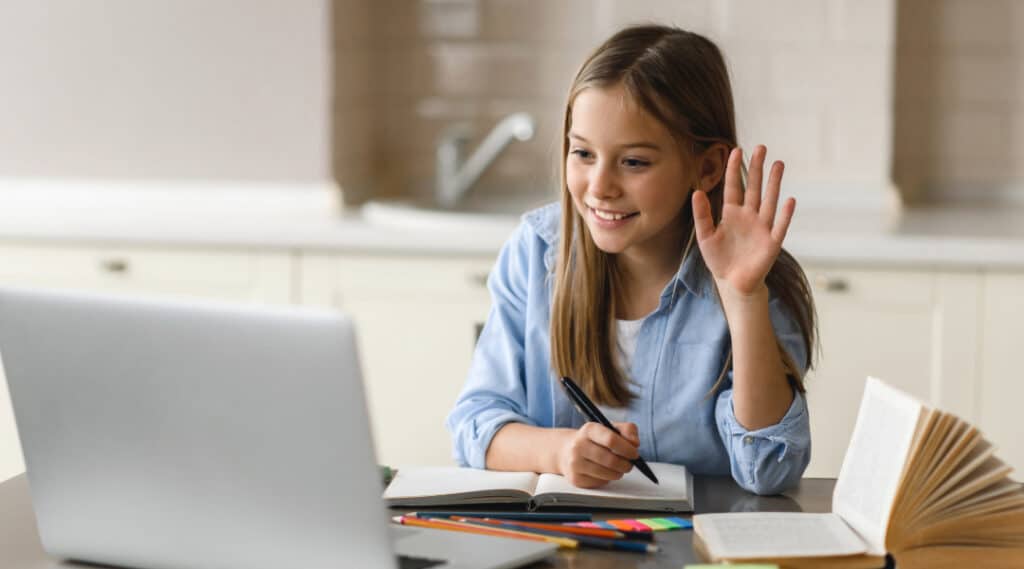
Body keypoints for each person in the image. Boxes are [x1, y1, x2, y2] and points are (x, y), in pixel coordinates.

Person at [446, 24, 817, 496]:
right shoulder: (537, 252)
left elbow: (769, 471)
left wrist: (743, 299)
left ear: (706, 167)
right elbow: (475, 424)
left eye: (634, 162)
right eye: (582, 153)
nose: (600, 186)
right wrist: (559, 452)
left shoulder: (755, 276)